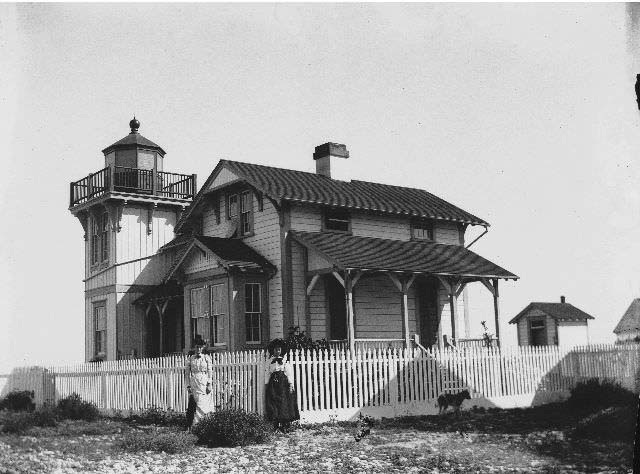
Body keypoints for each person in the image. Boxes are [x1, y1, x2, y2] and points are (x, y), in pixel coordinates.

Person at [264, 338, 299, 432]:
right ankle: (275, 424)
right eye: (275, 349)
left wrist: (291, 384)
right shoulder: (269, 361)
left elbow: (289, 373)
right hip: (273, 384)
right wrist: (266, 384)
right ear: (272, 350)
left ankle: (284, 425)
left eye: (279, 349)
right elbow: (267, 373)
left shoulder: (284, 361)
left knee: (283, 402)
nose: (277, 351)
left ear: (281, 350)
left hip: (282, 384)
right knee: (273, 402)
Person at [185, 335, 213, 429]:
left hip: (204, 382)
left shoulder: (206, 358)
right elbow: (187, 374)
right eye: (197, 347)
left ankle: (204, 424)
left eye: (200, 347)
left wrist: (209, 384)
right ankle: (194, 425)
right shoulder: (190, 358)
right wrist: (188, 386)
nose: (198, 349)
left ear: (203, 348)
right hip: (194, 382)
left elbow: (210, 372)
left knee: (203, 402)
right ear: (194, 347)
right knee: (194, 402)